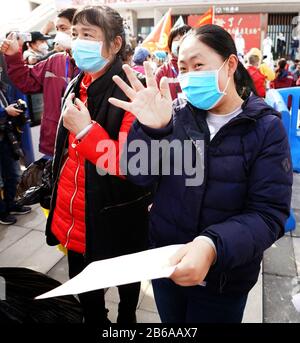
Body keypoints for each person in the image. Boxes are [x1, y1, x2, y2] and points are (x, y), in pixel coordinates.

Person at [109, 24, 292, 323]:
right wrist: (153, 131)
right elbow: (138, 175)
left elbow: (269, 214)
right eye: (183, 67)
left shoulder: (265, 128)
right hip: (167, 266)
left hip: (224, 281)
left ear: (230, 64)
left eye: (198, 65)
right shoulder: (175, 114)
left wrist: (211, 246)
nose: (190, 75)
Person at [45, 6, 151, 324]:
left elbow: (132, 165)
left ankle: (126, 317)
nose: (78, 42)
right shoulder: (76, 84)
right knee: (88, 298)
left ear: (115, 43)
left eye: (88, 35)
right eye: (75, 35)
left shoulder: (132, 92)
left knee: (126, 285)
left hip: (119, 217)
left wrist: (89, 131)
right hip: (75, 216)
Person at [0, 8, 79, 158]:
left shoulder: (94, 64)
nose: (59, 34)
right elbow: (26, 81)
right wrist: (13, 56)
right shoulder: (55, 60)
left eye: (63, 28)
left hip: (83, 144)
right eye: (57, 29)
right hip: (54, 143)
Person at [0, 77, 31, 225]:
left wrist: (12, 108)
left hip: (5, 137)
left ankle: (11, 203)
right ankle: (2, 212)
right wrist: (5, 111)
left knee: (12, 174)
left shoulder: (2, 87)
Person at [155, 25, 191, 100]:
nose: (180, 43)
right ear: (170, 44)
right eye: (177, 39)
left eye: (184, 38)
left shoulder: (200, 69)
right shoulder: (162, 72)